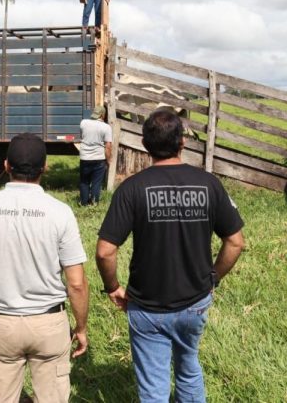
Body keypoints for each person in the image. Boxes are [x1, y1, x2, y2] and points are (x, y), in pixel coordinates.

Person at [95, 110, 245, 402]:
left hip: (147, 306)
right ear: (182, 143)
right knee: (189, 368)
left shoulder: (131, 189)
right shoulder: (209, 184)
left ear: (144, 143)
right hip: (195, 301)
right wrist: (212, 277)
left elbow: (105, 251)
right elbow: (236, 243)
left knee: (154, 386)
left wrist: (112, 287)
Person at [0, 133, 89, 403]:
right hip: (49, 324)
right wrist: (81, 326)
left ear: (6, 166)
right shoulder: (60, 212)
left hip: (2, 323)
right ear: (45, 167)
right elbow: (76, 282)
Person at [79, 104, 113, 205]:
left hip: (84, 157)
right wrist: (108, 160)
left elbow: (83, 136)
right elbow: (108, 146)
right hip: (99, 159)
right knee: (96, 183)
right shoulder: (106, 127)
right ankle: (94, 203)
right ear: (103, 115)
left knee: (84, 182)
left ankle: (84, 203)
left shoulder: (83, 123)